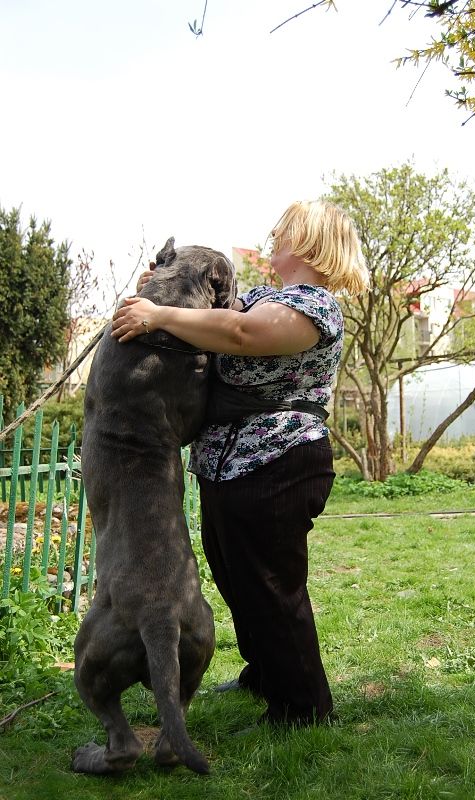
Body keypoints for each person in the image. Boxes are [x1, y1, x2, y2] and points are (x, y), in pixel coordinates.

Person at [111, 199, 369, 727]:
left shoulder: (313, 306)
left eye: (285, 233)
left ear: (310, 244)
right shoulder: (264, 298)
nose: (275, 239)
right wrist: (161, 290)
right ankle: (266, 674)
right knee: (238, 580)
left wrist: (159, 315)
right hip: (227, 465)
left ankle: (303, 708)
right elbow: (210, 315)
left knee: (271, 587)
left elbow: (238, 334)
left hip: (278, 460)